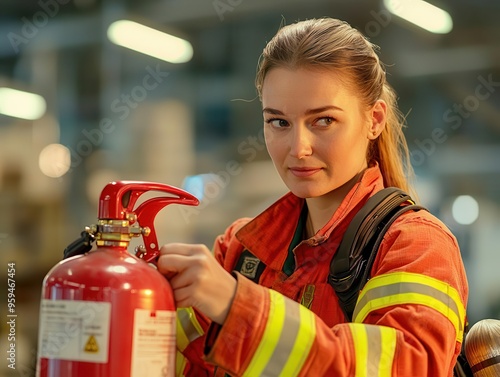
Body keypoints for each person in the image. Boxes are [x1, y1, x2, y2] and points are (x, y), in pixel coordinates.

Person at [157, 17, 469, 376]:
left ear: (375, 119)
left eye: (323, 121)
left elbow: (403, 370)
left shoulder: (414, 245)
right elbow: (159, 360)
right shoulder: (241, 251)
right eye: (279, 122)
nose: (298, 148)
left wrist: (235, 306)